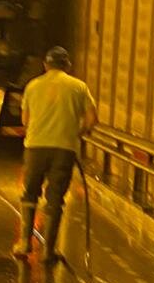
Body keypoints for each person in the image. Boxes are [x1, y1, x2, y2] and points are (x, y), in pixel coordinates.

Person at [13, 46, 97, 263]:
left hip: (35, 147)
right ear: (67, 65)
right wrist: (77, 133)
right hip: (64, 148)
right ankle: (48, 251)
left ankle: (24, 242)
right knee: (55, 198)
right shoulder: (79, 87)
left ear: (45, 65)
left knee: (30, 193)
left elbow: (25, 120)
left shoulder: (32, 86)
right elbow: (91, 119)